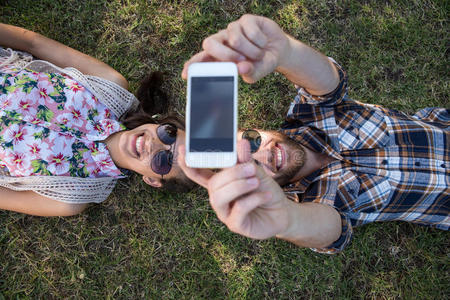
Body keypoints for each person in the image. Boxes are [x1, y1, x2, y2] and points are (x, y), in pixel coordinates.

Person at [178, 14, 449, 254]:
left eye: (251, 141)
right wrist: (288, 219)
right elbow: (332, 232)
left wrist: (286, 53)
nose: (265, 154)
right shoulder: (305, 202)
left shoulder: (309, 114)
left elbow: (329, 82)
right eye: (253, 166)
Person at [0, 24, 194, 217]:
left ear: (152, 180)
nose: (155, 144)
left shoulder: (69, 197)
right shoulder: (110, 86)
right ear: (161, 123)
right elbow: (33, 43)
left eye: (163, 161)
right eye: (168, 135)